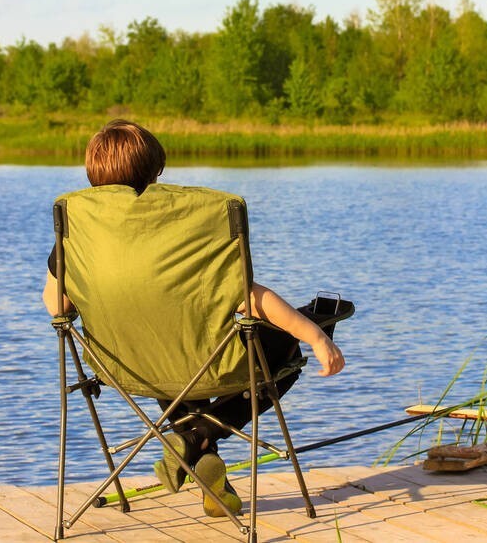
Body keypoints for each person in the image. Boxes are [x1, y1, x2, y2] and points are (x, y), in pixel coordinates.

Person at [42, 119, 345, 517]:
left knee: (162, 349)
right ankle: (200, 435)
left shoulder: (78, 230)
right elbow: (249, 298)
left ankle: (203, 461)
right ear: (154, 170)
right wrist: (315, 335)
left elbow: (57, 306)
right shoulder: (192, 221)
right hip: (206, 362)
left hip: (124, 365)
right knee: (286, 356)